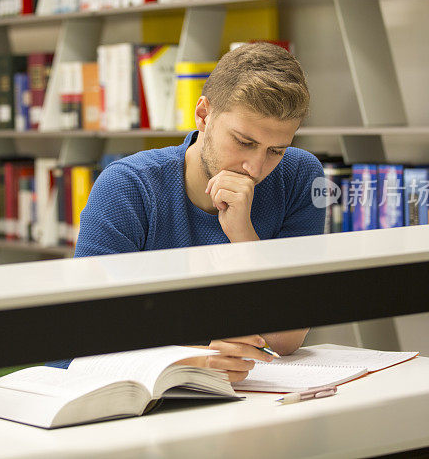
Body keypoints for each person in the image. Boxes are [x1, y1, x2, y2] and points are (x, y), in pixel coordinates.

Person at [74, 42, 325, 382]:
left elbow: (286, 339)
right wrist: (196, 362)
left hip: (244, 402)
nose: (254, 167)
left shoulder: (298, 176)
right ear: (204, 115)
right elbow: (81, 342)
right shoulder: (127, 187)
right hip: (136, 404)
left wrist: (245, 241)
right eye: (244, 141)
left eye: (276, 150)